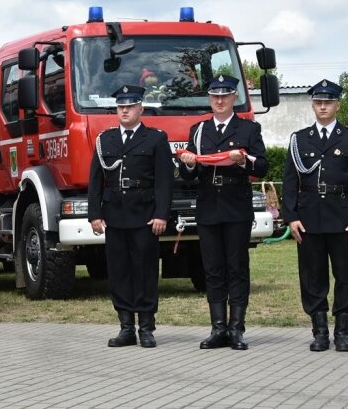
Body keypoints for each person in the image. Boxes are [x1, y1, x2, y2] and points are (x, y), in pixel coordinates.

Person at [177, 75, 268, 350]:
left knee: (237, 268)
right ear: (209, 98)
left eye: (225, 95)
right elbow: (187, 174)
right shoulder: (199, 130)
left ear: (233, 98)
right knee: (213, 269)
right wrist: (190, 164)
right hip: (208, 206)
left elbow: (262, 166)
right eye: (214, 95)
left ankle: (236, 328)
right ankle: (218, 328)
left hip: (236, 204)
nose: (219, 100)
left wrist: (243, 162)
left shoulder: (248, 129)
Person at [282, 79, 348, 352]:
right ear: (312, 105)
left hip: (343, 217)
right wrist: (291, 216)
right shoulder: (299, 139)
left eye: (328, 102)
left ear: (337, 105)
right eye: (319, 102)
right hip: (308, 219)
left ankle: (342, 331)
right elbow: (289, 182)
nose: (323, 107)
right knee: (312, 275)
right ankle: (319, 331)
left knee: (346, 275)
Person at [88, 84, 174, 348]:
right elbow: (95, 180)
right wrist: (95, 214)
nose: (124, 110)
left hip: (144, 215)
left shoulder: (156, 139)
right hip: (115, 215)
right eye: (120, 106)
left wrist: (161, 214)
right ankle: (126, 326)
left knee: (145, 271)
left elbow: (164, 181)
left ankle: (146, 327)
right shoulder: (105, 140)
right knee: (119, 272)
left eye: (130, 106)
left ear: (141, 108)